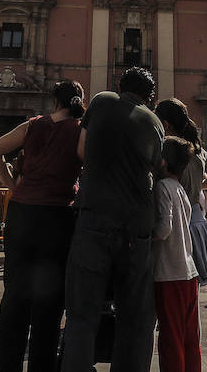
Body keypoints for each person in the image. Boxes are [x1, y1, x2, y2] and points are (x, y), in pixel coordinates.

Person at [61, 67, 164, 372]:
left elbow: (81, 149)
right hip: (136, 224)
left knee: (82, 309)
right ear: (150, 96)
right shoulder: (155, 122)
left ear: (121, 86)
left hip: (94, 216)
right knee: (135, 312)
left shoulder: (102, 100)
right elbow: (156, 168)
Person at [0, 80, 84, 372]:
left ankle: (8, 365)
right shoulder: (80, 130)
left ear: (54, 100)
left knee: (15, 293)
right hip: (57, 217)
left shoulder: (32, 125)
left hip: (21, 214)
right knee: (50, 299)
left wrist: (11, 185)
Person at [154, 99, 207, 285]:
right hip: (195, 219)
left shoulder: (166, 149)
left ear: (165, 124)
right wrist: (199, 186)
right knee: (191, 286)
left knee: (170, 282)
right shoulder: (197, 150)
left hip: (173, 221)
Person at [153, 137, 201, 372]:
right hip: (189, 272)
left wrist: (145, 236)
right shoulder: (180, 189)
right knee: (189, 338)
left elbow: (164, 228)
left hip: (169, 273)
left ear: (162, 161)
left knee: (170, 337)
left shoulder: (162, 187)